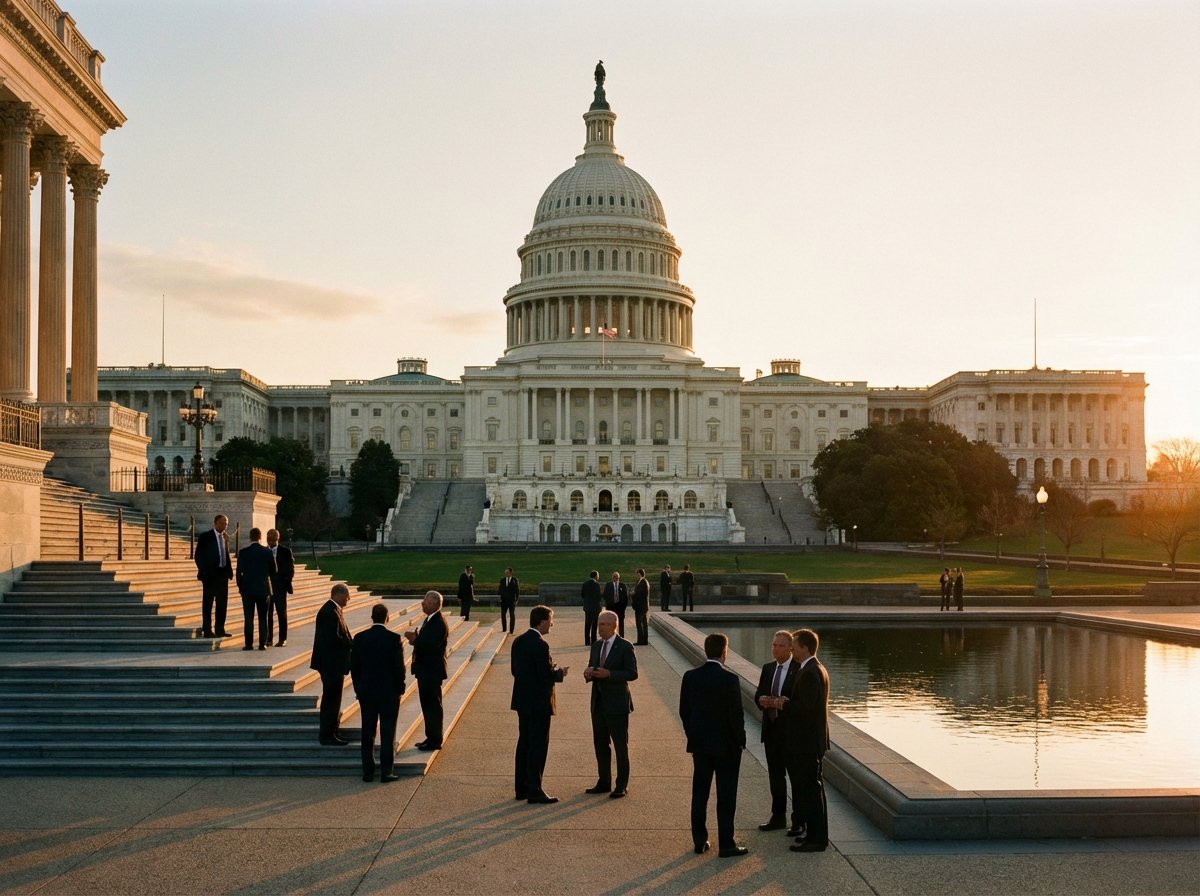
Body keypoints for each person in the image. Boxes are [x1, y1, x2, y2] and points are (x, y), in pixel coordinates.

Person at [679, 633, 748, 858]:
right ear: (724, 652)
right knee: (726, 796)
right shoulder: (730, 680)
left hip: (700, 745)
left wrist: (693, 734)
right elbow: (736, 716)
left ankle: (700, 840)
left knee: (700, 793)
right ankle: (726, 844)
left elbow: (684, 711)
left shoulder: (690, 677)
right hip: (727, 746)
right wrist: (740, 741)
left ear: (705, 650)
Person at [510, 604, 568, 804]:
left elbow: (515, 671)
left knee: (524, 743)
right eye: (551, 620)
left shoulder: (518, 641)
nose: (552, 624)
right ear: (542, 621)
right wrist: (559, 673)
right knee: (538, 746)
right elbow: (544, 676)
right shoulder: (541, 644)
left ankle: (522, 787)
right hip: (539, 703)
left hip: (523, 701)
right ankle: (535, 789)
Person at [780, 628, 831, 852]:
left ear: (805, 648)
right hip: (808, 741)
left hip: (807, 742)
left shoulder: (810, 671)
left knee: (811, 790)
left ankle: (817, 839)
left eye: (795, 645)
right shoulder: (811, 668)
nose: (792, 649)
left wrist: (783, 703)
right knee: (811, 789)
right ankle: (813, 834)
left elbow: (806, 709)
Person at [583, 609, 638, 798]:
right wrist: (589, 673)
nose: (600, 628)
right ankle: (603, 781)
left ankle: (621, 785)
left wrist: (610, 674)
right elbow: (592, 664)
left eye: (604, 625)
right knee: (600, 744)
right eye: (599, 624)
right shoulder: (596, 645)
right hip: (598, 703)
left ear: (614, 626)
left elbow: (632, 673)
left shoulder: (624, 646)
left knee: (620, 745)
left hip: (617, 704)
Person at [351, 602, 406, 783]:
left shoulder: (359, 638)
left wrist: (359, 688)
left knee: (368, 732)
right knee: (387, 731)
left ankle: (368, 771)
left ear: (372, 617)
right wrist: (400, 687)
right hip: (389, 693)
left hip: (367, 692)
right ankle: (386, 771)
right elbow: (399, 668)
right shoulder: (394, 638)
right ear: (387, 618)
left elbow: (355, 668)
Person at [754, 630, 801, 835]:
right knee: (776, 776)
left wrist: (776, 702)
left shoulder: (799, 669)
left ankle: (799, 820)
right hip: (772, 731)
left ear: (790, 648)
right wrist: (762, 700)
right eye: (774, 645)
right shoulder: (768, 668)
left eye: (780, 646)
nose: (775, 649)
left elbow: (796, 703)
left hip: (791, 733)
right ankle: (778, 816)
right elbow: (758, 695)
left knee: (796, 778)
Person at [404, 590, 449, 751]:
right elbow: (426, 641)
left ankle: (435, 740)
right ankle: (430, 737)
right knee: (428, 706)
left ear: (434, 604)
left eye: (425, 601)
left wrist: (415, 639)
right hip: (426, 671)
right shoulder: (430, 620)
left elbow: (431, 646)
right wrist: (416, 638)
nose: (422, 604)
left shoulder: (438, 622)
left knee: (433, 707)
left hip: (431, 672)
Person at [310, 583, 353, 745]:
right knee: (331, 699)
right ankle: (328, 735)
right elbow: (334, 639)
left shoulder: (333, 610)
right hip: (330, 664)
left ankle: (333, 731)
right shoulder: (329, 612)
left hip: (333, 663)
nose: (348, 600)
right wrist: (352, 644)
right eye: (346, 596)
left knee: (334, 698)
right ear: (338, 594)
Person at [235, 527, 274, 651]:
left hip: (247, 589)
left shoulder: (243, 552)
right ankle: (262, 643)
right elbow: (274, 570)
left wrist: (240, 586)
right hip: (263, 588)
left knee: (248, 617)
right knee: (263, 617)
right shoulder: (267, 552)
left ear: (250, 537)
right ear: (260, 537)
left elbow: (238, 571)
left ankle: (248, 644)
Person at [194, 513, 233, 638]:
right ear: (215, 523)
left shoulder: (225, 537)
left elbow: (226, 555)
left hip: (222, 574)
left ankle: (220, 629)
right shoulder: (206, 537)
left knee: (222, 603)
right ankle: (207, 630)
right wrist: (204, 571)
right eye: (222, 523)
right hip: (210, 575)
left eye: (226, 524)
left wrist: (229, 571)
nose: (224, 526)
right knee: (208, 603)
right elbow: (198, 556)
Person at [265, 528, 294, 646]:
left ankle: (283, 639)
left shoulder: (286, 551)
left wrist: (286, 580)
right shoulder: (264, 551)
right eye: (268, 538)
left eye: (272, 538)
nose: (270, 541)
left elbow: (290, 568)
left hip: (280, 586)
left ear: (277, 538)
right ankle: (269, 638)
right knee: (268, 613)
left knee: (281, 613)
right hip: (267, 587)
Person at [603, 571, 629, 638]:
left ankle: (621, 638)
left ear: (619, 577)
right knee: (610, 623)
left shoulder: (622, 585)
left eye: (616, 577)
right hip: (611, 607)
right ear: (612, 577)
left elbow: (625, 597)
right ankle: (611, 637)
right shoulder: (608, 585)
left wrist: (623, 607)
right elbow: (605, 595)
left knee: (621, 624)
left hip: (620, 608)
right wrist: (609, 603)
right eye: (614, 576)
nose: (615, 578)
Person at [581, 569, 603, 645]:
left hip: (587, 607)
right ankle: (593, 640)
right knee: (594, 624)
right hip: (595, 607)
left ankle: (587, 641)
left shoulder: (585, 584)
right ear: (596, 576)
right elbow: (599, 596)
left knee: (587, 624)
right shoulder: (596, 584)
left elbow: (582, 595)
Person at [631, 567, 651, 646]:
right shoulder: (639, 581)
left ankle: (641, 641)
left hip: (641, 606)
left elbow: (641, 594)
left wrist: (633, 595)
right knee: (642, 624)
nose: (636, 575)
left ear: (640, 574)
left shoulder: (643, 582)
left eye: (637, 574)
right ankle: (643, 640)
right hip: (640, 606)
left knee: (641, 624)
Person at [498, 566, 520, 633]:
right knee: (503, 615)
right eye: (505, 572)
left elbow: (517, 591)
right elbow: (500, 590)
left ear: (510, 573)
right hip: (504, 601)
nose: (506, 573)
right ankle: (504, 629)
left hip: (511, 601)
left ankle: (511, 630)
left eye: (507, 572)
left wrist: (517, 600)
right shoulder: (502, 580)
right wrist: (499, 597)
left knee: (512, 615)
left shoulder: (515, 580)